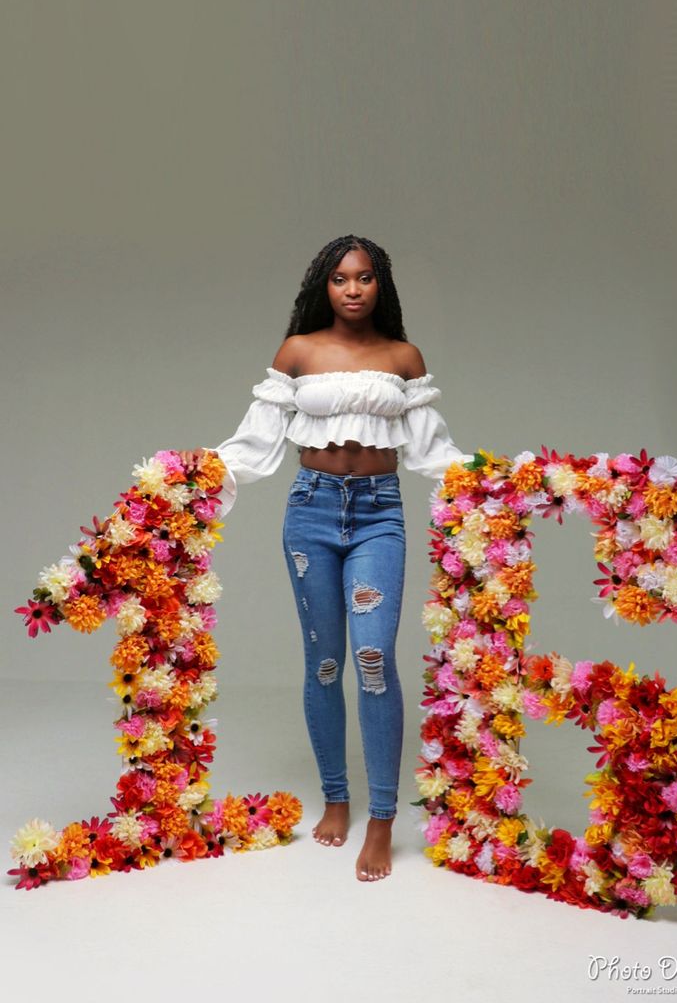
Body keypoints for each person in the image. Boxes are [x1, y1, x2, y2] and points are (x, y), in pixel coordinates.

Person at [181, 234, 468, 881]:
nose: (354, 289)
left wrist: (496, 475)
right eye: (341, 279)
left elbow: (432, 451)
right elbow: (255, 443)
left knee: (374, 659)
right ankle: (338, 797)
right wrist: (194, 475)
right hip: (310, 513)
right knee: (327, 663)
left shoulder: (402, 357)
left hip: (378, 516)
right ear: (325, 286)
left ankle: (384, 817)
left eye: (365, 277)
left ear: (381, 285)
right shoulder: (298, 351)